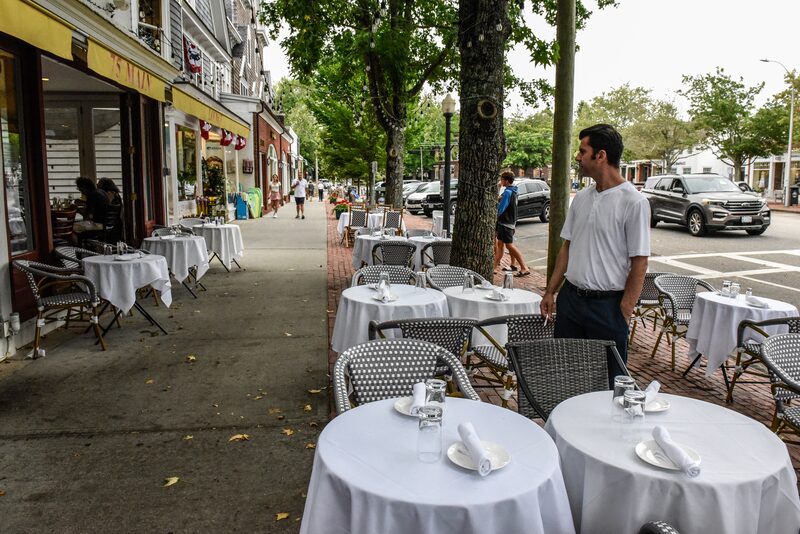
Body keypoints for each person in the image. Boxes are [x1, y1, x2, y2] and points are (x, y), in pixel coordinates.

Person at [539, 124, 650, 385]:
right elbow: (567, 247)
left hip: (608, 307)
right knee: (565, 375)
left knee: (610, 382)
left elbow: (640, 263)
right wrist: (551, 291)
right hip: (571, 301)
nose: (578, 157)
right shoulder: (581, 198)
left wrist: (624, 311)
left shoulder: (634, 202)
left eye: (582, 151)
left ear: (601, 155)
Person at [493, 172, 530, 276]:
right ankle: (493, 267)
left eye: (502, 179)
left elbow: (501, 209)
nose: (501, 181)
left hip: (505, 223)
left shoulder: (508, 192)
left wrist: (494, 215)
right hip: (508, 222)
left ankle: (524, 267)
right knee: (500, 245)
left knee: (509, 245)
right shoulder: (513, 191)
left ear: (506, 180)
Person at [72, 177, 109, 243]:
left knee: (70, 228)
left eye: (80, 188)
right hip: (107, 223)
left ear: (84, 187)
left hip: (98, 224)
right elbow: (96, 206)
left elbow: (90, 216)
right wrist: (84, 203)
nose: (80, 191)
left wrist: (78, 211)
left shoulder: (92, 195)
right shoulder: (101, 191)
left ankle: (78, 247)